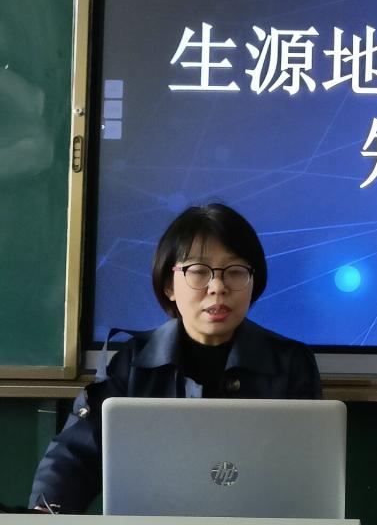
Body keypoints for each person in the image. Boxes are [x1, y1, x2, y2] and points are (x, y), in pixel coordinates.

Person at [29, 203, 322, 513]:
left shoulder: (291, 363)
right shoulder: (133, 362)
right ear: (169, 285)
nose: (218, 287)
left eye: (236, 272)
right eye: (199, 271)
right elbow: (75, 455)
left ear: (253, 283)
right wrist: (45, 514)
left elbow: (310, 470)